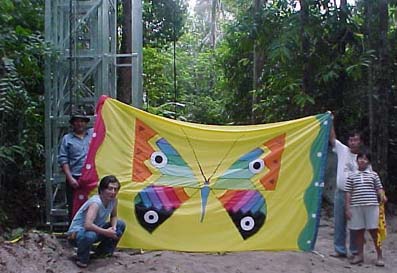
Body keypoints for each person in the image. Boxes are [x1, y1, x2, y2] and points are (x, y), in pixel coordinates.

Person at [67, 175, 126, 268]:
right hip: (78, 233)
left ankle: (103, 252)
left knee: (120, 224)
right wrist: (107, 232)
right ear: (102, 190)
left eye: (115, 189)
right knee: (90, 235)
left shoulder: (113, 201)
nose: (113, 192)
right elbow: (87, 225)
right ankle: (82, 258)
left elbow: (114, 216)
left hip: (95, 230)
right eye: (110, 189)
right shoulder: (96, 203)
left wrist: (113, 228)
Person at [345, 151, 387, 266]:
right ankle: (359, 256)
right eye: (360, 158)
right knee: (358, 231)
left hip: (372, 207)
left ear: (368, 161)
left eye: (365, 159)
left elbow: (379, 188)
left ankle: (379, 256)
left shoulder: (374, 175)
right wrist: (347, 208)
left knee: (374, 231)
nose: (362, 160)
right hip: (356, 207)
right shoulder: (351, 175)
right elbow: (348, 192)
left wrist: (382, 196)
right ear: (357, 160)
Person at [329, 123, 361, 258]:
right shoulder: (343, 150)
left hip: (356, 195)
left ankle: (355, 251)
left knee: (355, 223)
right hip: (340, 192)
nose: (353, 143)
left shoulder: (364, 157)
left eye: (356, 140)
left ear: (360, 141)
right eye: (351, 140)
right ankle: (340, 250)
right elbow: (332, 138)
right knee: (339, 222)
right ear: (348, 141)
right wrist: (331, 121)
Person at [58, 110, 93, 220]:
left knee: (92, 204)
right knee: (74, 206)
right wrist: (70, 178)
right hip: (75, 177)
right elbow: (63, 159)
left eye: (82, 121)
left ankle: (91, 231)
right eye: (77, 121)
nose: (80, 124)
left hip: (91, 177)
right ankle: (73, 233)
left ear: (86, 123)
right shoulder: (67, 139)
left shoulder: (93, 135)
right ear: (73, 123)